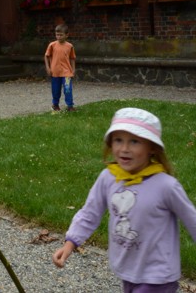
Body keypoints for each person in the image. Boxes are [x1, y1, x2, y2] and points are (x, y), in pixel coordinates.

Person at [52, 108, 196, 292]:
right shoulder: (108, 178)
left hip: (158, 275)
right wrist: (70, 243)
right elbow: (90, 212)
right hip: (128, 270)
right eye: (118, 140)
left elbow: (192, 220)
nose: (125, 148)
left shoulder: (166, 186)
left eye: (135, 141)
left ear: (152, 147)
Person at [44, 23, 76, 112]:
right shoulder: (52, 45)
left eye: (61, 35)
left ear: (67, 35)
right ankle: (55, 105)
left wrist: (73, 69)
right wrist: (48, 67)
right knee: (55, 90)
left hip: (66, 73)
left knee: (67, 89)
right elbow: (46, 56)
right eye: (57, 35)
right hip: (55, 72)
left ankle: (70, 106)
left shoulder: (70, 46)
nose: (59, 37)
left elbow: (72, 58)